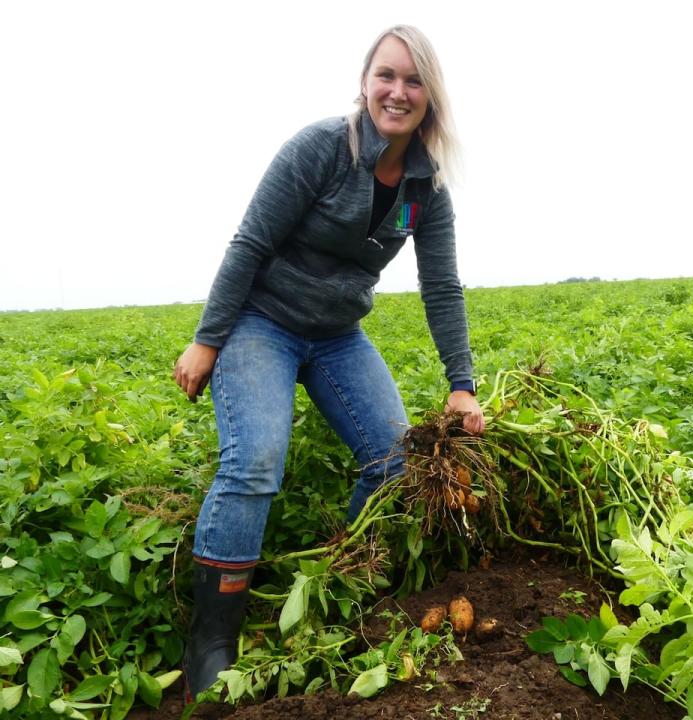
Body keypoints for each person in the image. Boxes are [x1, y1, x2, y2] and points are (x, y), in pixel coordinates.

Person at [172, 24, 484, 700]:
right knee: (256, 459)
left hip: (338, 334)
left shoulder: (426, 191)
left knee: (395, 459)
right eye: (386, 76)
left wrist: (462, 386)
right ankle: (213, 636)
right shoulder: (322, 148)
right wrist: (208, 338)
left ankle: (334, 576)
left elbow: (442, 287)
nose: (397, 91)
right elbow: (251, 242)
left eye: (413, 80)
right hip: (263, 324)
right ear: (366, 82)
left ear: (431, 96)